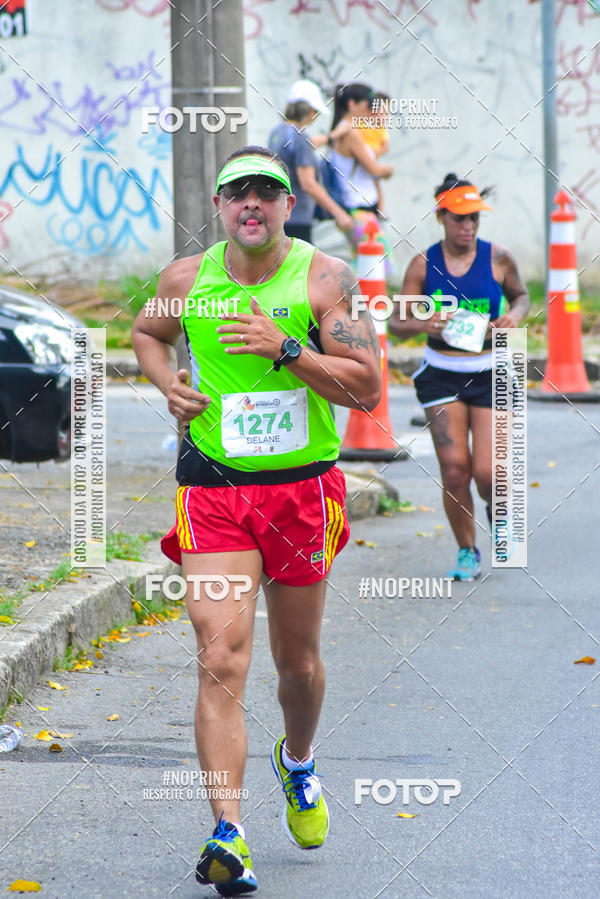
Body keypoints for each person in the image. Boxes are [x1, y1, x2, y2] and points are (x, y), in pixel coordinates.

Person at [131, 147, 381, 896]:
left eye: (266, 192)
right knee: (220, 656)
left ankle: (298, 762)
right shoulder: (185, 281)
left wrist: (288, 349)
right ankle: (228, 834)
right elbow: (146, 333)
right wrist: (168, 383)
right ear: (219, 205)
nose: (252, 203)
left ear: (286, 206)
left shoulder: (325, 279)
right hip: (213, 490)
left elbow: (367, 388)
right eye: (237, 191)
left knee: (296, 665)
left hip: (300, 493)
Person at [389, 173, 529, 581]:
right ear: (442, 217)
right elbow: (396, 322)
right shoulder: (423, 264)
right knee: (454, 470)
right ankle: (467, 550)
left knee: (489, 473)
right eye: (459, 218)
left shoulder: (499, 258)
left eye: (474, 219)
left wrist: (514, 316)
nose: (468, 226)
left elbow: (521, 296)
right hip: (441, 375)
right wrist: (423, 323)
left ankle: (498, 515)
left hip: (491, 371)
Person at [268, 79, 353, 244]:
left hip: (279, 216)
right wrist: (339, 213)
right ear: (308, 110)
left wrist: (331, 137)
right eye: (315, 111)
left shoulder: (278, 133)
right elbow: (308, 184)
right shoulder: (299, 137)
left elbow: (303, 147)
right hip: (298, 219)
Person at [328, 82, 395, 275]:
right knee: (377, 271)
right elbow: (374, 169)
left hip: (360, 209)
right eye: (369, 106)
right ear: (352, 105)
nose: (372, 112)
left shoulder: (346, 130)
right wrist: (388, 170)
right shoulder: (351, 133)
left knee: (367, 268)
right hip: (359, 210)